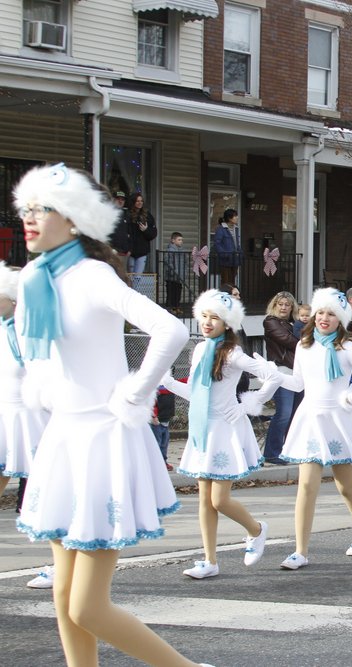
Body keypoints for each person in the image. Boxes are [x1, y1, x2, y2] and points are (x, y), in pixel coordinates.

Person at [12, 163, 212, 666]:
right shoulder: (36, 279)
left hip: (103, 439)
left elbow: (171, 331)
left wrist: (134, 392)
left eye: (43, 209)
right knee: (63, 597)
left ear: (76, 219)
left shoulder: (92, 275)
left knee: (88, 605)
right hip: (63, 439)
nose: (30, 219)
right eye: (26, 208)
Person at [161, 289, 277, 579]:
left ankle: (257, 529)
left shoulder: (234, 353)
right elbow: (198, 394)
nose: (208, 322)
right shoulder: (200, 349)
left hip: (225, 428)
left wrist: (248, 404)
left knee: (219, 500)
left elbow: (273, 376)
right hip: (203, 427)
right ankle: (210, 560)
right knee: (204, 499)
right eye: (204, 316)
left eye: (215, 318)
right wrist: (170, 383)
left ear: (228, 324)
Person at [271, 288, 352, 570]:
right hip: (310, 418)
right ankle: (300, 551)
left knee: (345, 487)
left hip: (338, 421)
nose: (324, 317)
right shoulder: (303, 345)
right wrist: (271, 375)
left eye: (332, 314)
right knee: (307, 486)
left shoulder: (347, 348)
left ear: (341, 320)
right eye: (321, 312)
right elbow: (298, 383)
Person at [1, 262, 51, 588]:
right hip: (6, 417)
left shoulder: (27, 329)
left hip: (33, 418)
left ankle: (54, 560)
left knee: (42, 491)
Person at [262, 290, 302, 465]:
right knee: (284, 413)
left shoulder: (295, 324)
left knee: (296, 414)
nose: (284, 307)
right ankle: (271, 452)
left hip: (299, 373)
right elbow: (288, 341)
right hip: (282, 372)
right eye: (281, 304)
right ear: (275, 305)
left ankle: (289, 449)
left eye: (288, 305)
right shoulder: (271, 322)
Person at [124, 193, 157, 274]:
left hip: (142, 251)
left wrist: (146, 230)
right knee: (130, 276)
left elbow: (153, 234)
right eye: (137, 201)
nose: (140, 203)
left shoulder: (148, 215)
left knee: (138, 276)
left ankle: (136, 287)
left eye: (141, 201)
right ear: (133, 202)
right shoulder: (127, 215)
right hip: (130, 251)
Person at [151, 380, 176, 472]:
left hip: (165, 420)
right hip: (156, 421)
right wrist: (153, 416)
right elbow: (151, 403)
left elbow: (184, 381)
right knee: (157, 443)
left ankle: (163, 462)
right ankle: (155, 463)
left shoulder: (169, 385)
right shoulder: (155, 387)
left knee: (164, 443)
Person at [213, 209, 242, 287]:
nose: (237, 217)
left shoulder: (236, 229)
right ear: (229, 218)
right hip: (226, 259)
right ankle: (224, 297)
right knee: (225, 281)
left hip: (234, 258)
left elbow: (237, 243)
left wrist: (240, 253)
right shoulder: (221, 229)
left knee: (232, 281)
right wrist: (224, 254)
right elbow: (217, 243)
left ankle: (231, 297)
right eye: (235, 216)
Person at [164, 231, 185, 312]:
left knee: (178, 292)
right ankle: (170, 307)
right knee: (171, 292)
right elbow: (168, 262)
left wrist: (183, 273)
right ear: (173, 240)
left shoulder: (182, 250)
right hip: (171, 276)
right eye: (179, 240)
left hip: (179, 276)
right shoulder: (170, 250)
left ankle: (176, 307)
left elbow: (185, 263)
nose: (181, 242)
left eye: (181, 240)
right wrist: (173, 272)